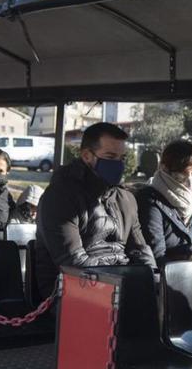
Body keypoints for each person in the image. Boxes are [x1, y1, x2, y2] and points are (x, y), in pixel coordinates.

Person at [34, 122, 156, 299]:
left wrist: (153, 281)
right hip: (69, 291)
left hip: (120, 286)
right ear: (86, 156)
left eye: (122, 158)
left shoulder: (125, 198)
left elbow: (140, 249)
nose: (118, 164)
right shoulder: (60, 197)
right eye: (110, 156)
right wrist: (122, 289)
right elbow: (72, 263)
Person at [137, 140, 192, 264]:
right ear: (165, 169)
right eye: (182, 174)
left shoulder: (191, 199)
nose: (190, 182)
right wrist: (191, 258)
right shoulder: (150, 201)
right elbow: (157, 255)